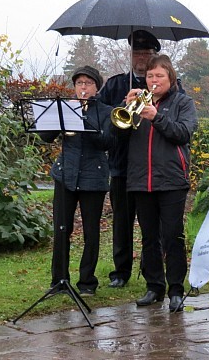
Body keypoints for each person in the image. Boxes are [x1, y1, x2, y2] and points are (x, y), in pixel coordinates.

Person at [121, 54, 198, 313]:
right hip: (141, 180)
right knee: (149, 237)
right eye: (150, 76)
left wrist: (156, 117)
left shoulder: (183, 102)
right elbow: (117, 137)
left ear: (170, 78)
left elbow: (184, 133)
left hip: (172, 180)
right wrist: (127, 108)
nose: (154, 81)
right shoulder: (138, 103)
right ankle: (154, 286)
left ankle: (176, 289)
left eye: (159, 76)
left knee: (172, 236)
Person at [39, 66, 114, 297]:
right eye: (79, 83)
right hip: (65, 175)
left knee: (91, 231)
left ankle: (87, 283)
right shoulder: (64, 108)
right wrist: (53, 118)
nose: (83, 87)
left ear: (96, 87)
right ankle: (59, 280)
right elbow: (46, 137)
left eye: (88, 83)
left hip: (94, 175)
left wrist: (84, 121)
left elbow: (107, 142)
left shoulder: (105, 111)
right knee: (62, 229)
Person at [99, 30, 160, 289]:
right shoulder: (115, 85)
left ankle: (150, 269)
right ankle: (121, 271)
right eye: (137, 53)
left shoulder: (160, 84)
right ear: (130, 54)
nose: (142, 58)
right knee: (122, 222)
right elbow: (102, 120)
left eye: (146, 53)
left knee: (150, 223)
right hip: (122, 164)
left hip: (150, 165)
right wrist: (122, 105)